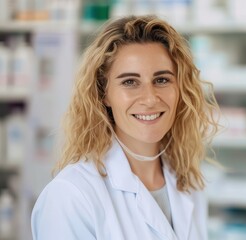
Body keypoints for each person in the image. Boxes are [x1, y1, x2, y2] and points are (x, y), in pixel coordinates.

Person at [31, 15, 220, 240]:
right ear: (104, 94)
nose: (150, 98)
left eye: (162, 80)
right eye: (130, 82)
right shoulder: (72, 195)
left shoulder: (189, 184)